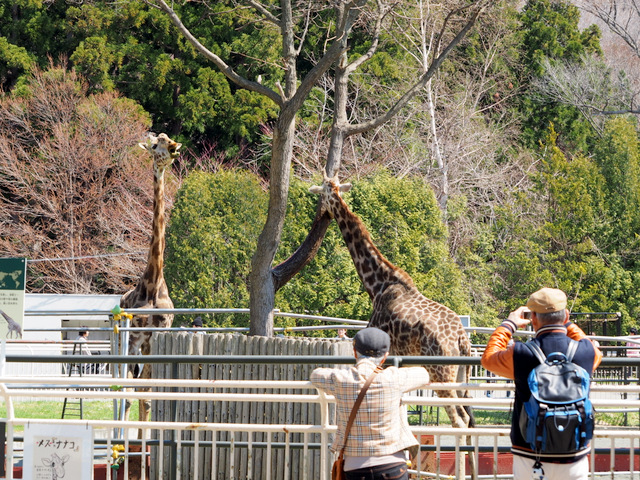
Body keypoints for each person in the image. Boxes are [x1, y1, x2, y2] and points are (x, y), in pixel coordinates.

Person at [481, 287, 602, 480]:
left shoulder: (520, 353)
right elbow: (586, 342)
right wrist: (567, 323)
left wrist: (509, 324)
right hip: (574, 453)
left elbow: (488, 358)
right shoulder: (587, 351)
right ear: (566, 315)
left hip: (529, 454)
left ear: (533, 319)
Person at [311, 327, 430, 480]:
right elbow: (423, 374)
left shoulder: (341, 379)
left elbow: (315, 375)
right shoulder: (394, 377)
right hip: (392, 464)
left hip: (354, 467)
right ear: (385, 356)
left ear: (355, 352)